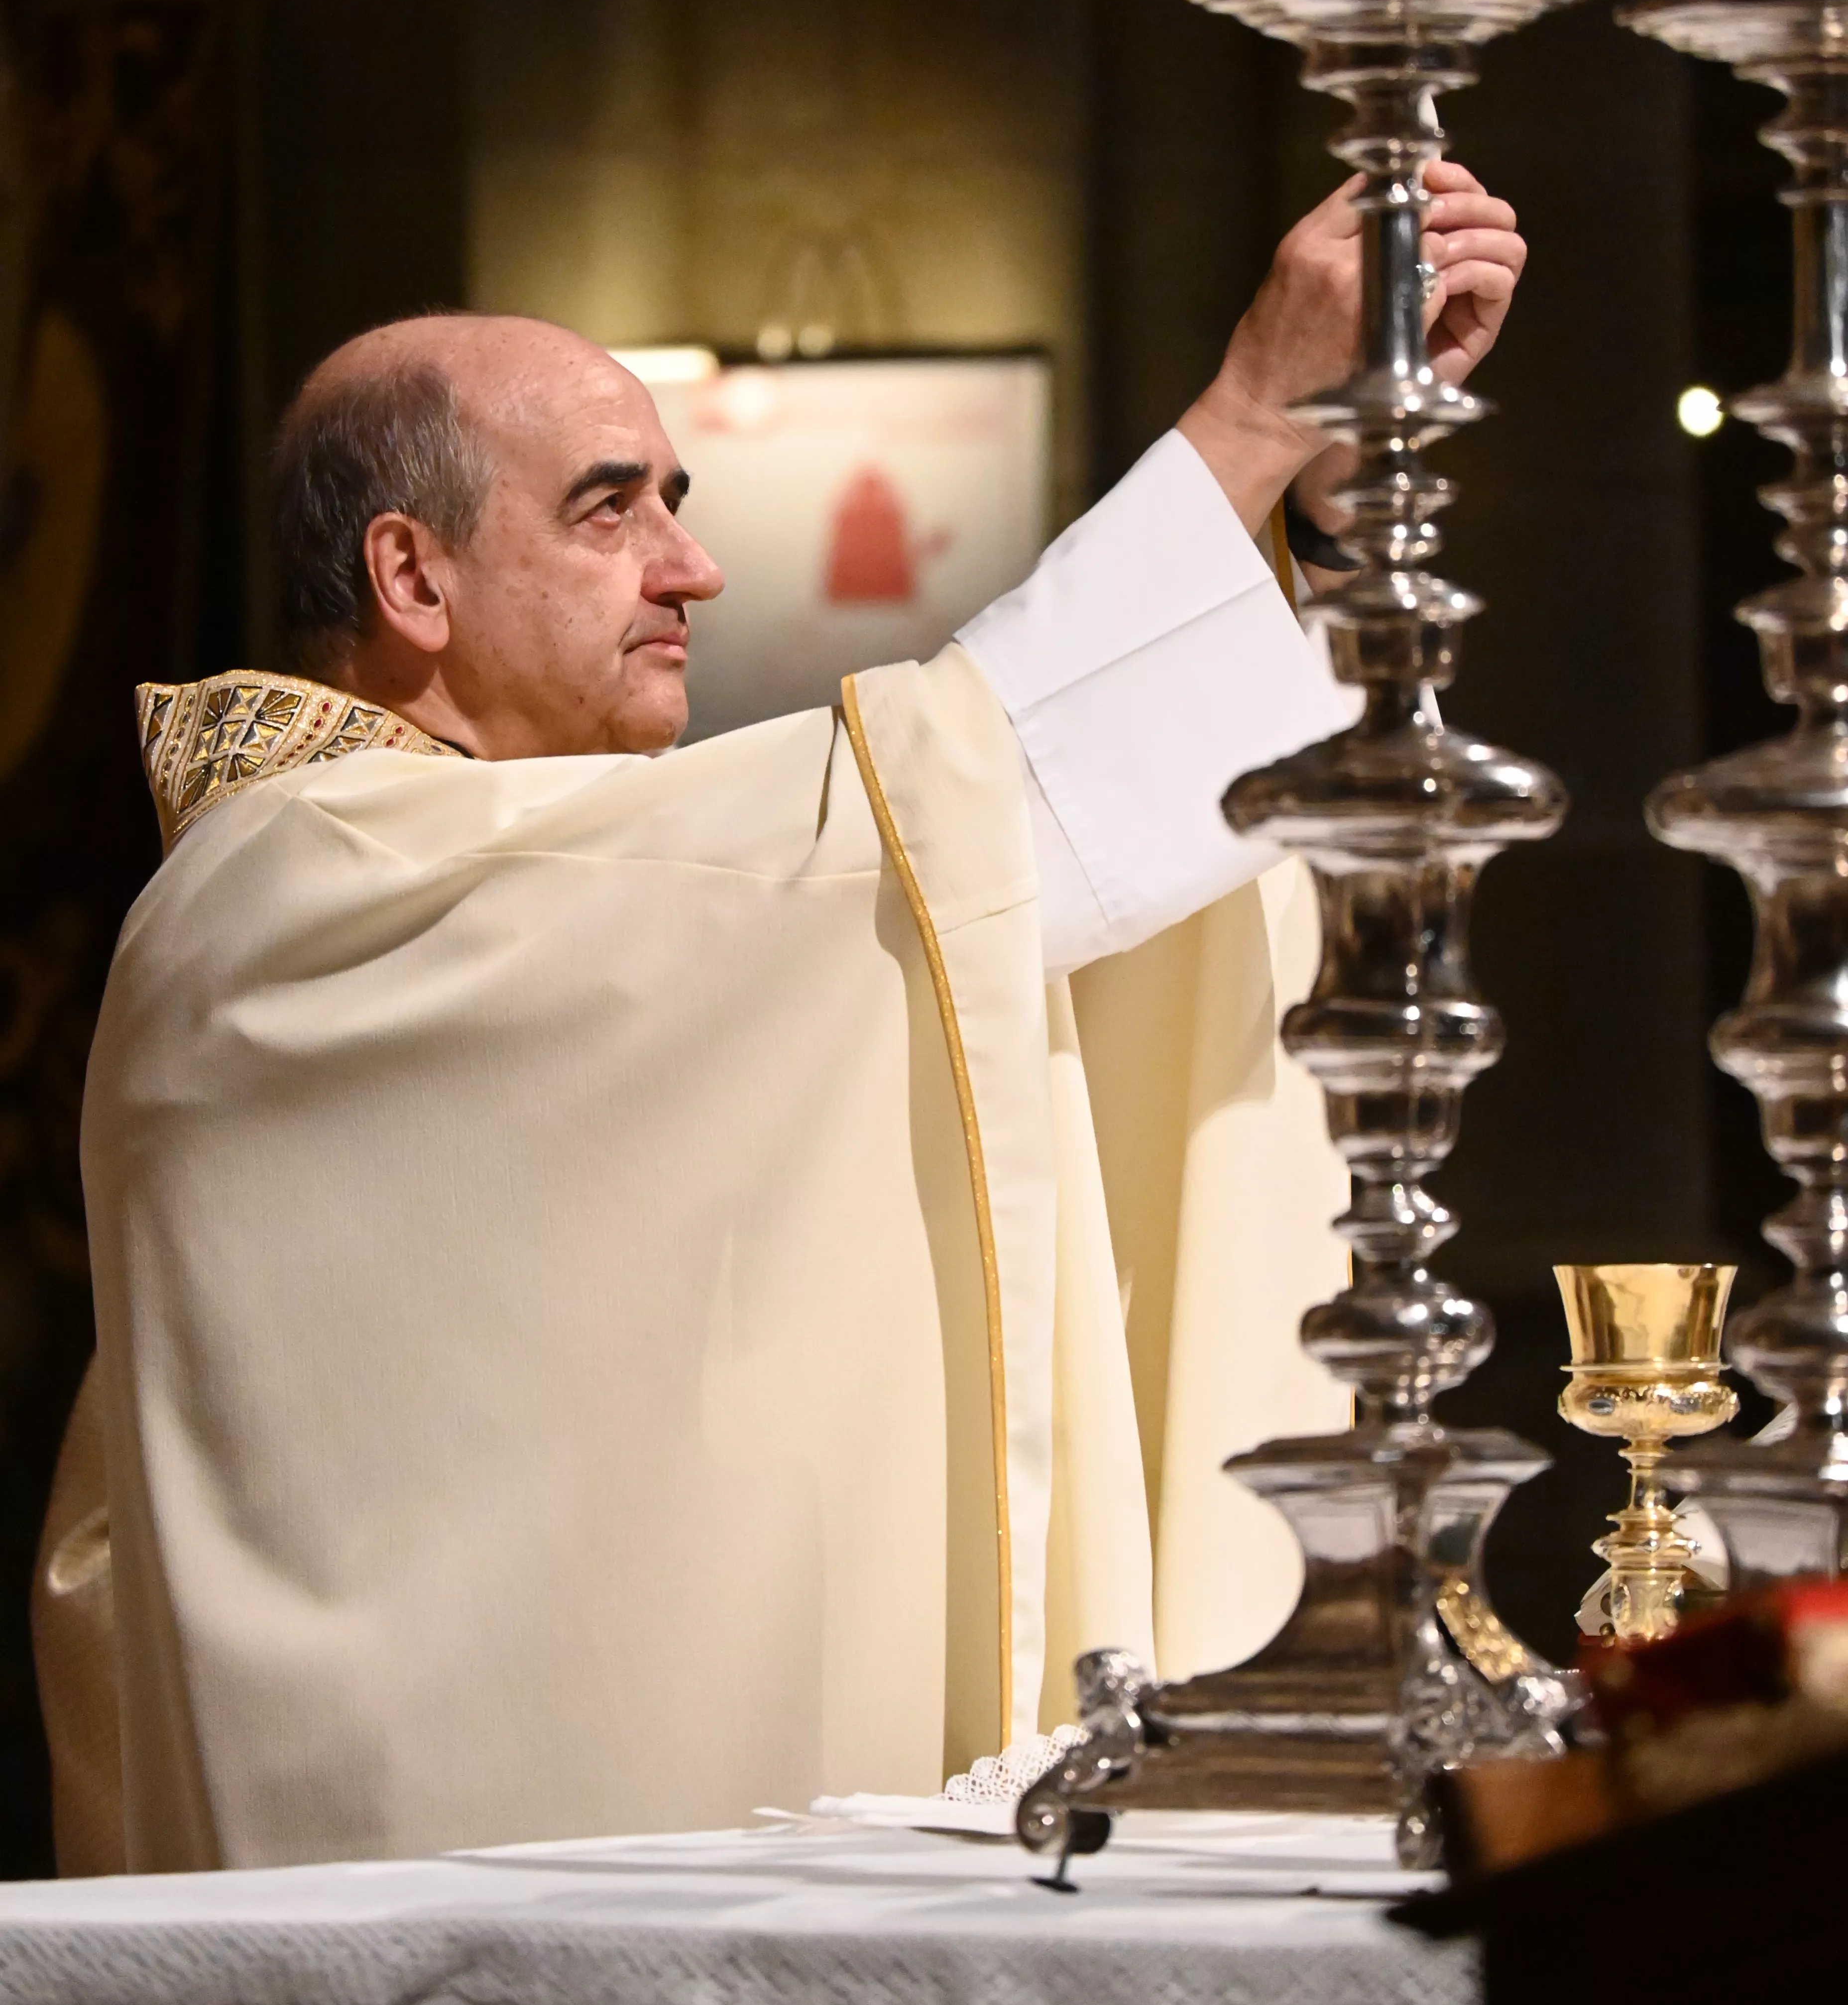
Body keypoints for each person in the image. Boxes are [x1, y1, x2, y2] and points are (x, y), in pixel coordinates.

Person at [56, 164, 1524, 1872]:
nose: (696, 569)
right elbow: (951, 832)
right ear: (413, 574)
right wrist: (1254, 417)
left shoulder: (512, 870)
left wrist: (1314, 518)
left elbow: (983, 865)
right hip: (444, 1901)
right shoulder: (296, 901)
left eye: (675, 502)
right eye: (611, 511)